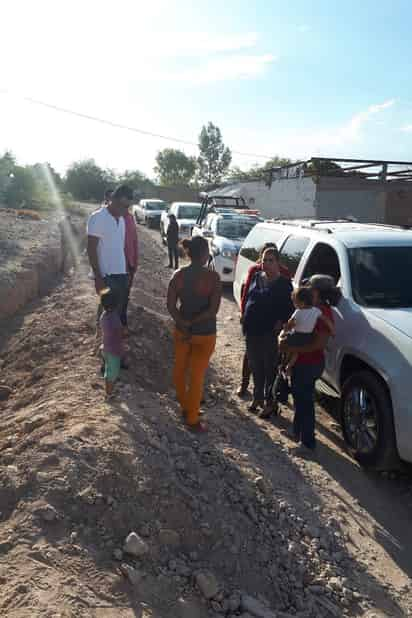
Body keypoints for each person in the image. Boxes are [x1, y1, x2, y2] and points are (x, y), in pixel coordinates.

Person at [280, 275, 341, 455]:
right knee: (300, 399)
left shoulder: (321, 312)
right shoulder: (313, 310)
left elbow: (318, 345)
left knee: (305, 402)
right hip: (305, 363)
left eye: (308, 287)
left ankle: (307, 443)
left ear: (315, 292)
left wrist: (288, 346)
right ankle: (297, 432)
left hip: (308, 363)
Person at [167, 236, 222, 431]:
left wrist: (184, 322)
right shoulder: (213, 278)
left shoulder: (178, 275)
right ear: (206, 254)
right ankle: (192, 418)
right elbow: (212, 311)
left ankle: (185, 406)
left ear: (189, 253)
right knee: (197, 375)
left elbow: (171, 306)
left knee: (180, 369)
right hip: (205, 333)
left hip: (182, 332)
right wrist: (194, 322)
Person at [242, 247, 294, 415]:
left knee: (269, 368)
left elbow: (290, 310)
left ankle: (270, 403)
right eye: (264, 260)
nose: (266, 263)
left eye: (271, 260)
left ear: (278, 263)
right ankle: (257, 397)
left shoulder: (285, 284)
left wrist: (281, 323)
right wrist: (244, 315)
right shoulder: (257, 277)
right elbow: (249, 297)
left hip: (270, 334)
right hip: (252, 330)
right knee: (255, 366)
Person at [87, 185, 133, 326]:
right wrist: (98, 277)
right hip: (106, 275)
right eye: (122, 205)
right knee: (107, 309)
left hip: (121, 273)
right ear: (112, 199)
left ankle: (110, 339)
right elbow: (91, 248)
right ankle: (100, 338)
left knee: (118, 310)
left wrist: (126, 269)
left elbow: (119, 247)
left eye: (127, 207)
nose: (124, 210)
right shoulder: (98, 218)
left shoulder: (123, 220)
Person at [280, 286, 334, 374]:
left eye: (295, 303)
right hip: (308, 337)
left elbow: (291, 324)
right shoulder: (316, 311)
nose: (295, 305)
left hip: (297, 335)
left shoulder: (298, 312)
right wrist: (332, 330)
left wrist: (286, 328)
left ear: (302, 303)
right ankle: (289, 366)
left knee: (287, 346)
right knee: (296, 352)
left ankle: (286, 364)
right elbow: (326, 320)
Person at [100, 289, 123, 399]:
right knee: (113, 373)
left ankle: (109, 390)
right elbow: (119, 332)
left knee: (109, 370)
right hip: (113, 350)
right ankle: (109, 393)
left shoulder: (103, 315)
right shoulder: (114, 317)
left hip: (105, 347)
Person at [122, 204, 139, 328]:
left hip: (129, 263)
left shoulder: (130, 218)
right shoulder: (107, 218)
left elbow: (134, 241)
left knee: (125, 294)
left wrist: (134, 261)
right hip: (115, 266)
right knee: (111, 298)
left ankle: (122, 322)